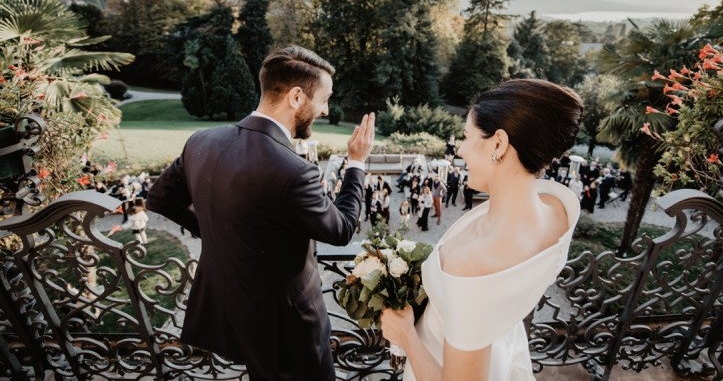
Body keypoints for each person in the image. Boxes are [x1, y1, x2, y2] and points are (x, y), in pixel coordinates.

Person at [146, 45, 376, 381]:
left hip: (231, 309)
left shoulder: (201, 141)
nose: (325, 110)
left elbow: (160, 199)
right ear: (296, 97)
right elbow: (340, 230)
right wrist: (356, 162)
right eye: (323, 99)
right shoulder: (294, 171)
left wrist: (212, 231)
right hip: (289, 327)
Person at [381, 78, 584, 381]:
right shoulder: (557, 210)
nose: (460, 150)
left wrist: (406, 335)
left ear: (499, 144)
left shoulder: (472, 264)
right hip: (496, 352)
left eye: (467, 136)